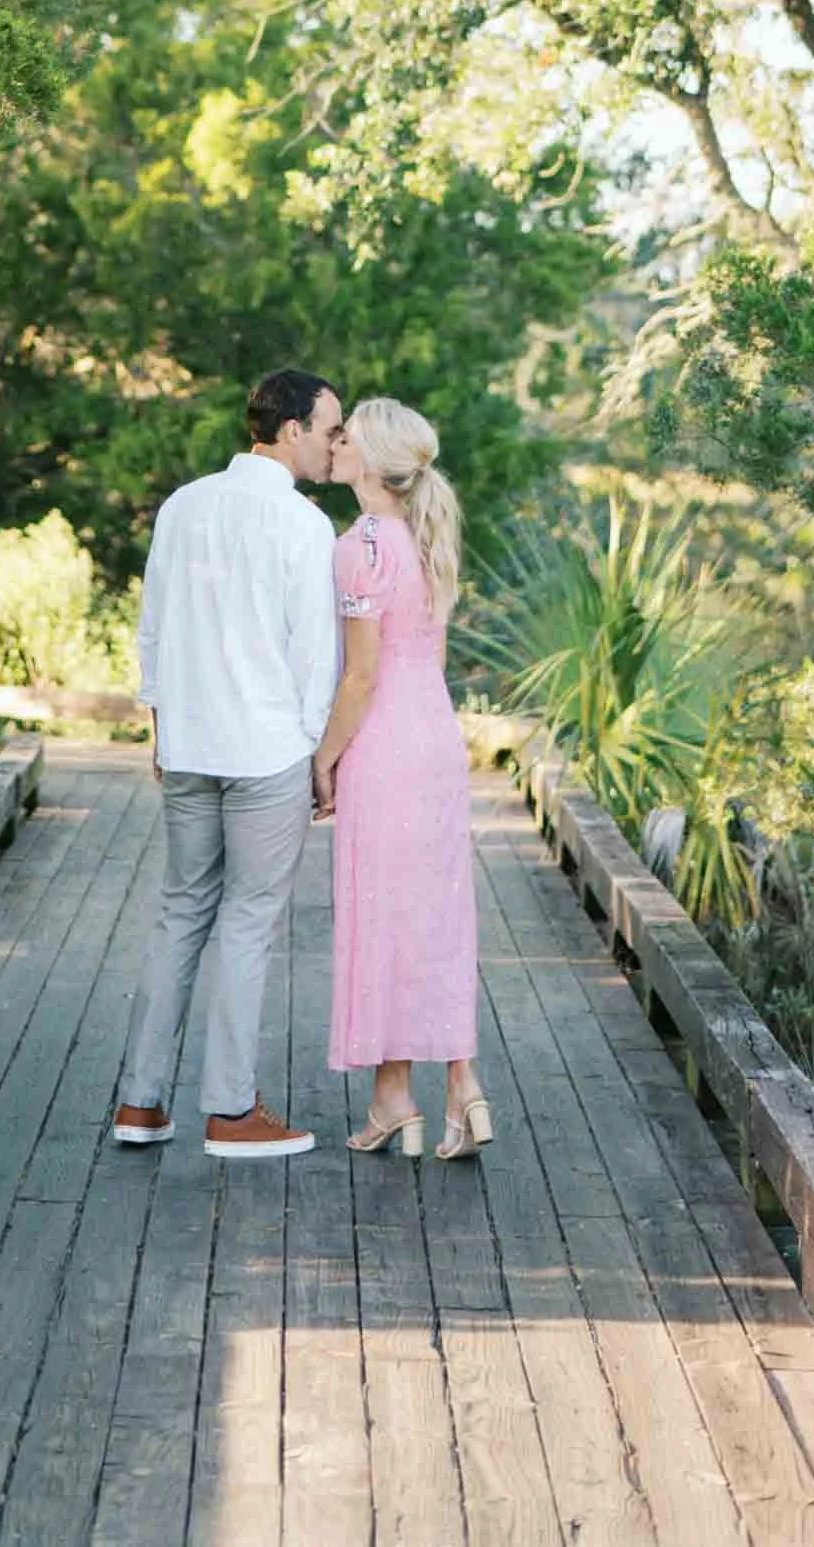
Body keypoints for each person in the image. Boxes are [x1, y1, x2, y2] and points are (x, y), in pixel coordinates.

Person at [112, 367, 342, 1160]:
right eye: (326, 431)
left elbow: (152, 623)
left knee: (180, 915)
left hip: (189, 745)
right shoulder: (304, 526)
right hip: (266, 750)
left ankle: (140, 1104)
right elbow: (316, 653)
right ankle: (230, 1109)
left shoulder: (184, 505)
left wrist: (158, 723)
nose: (332, 445)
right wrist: (318, 755)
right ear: (288, 430)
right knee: (246, 924)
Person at [310, 397, 492, 1162]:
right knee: (434, 917)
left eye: (346, 434)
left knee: (380, 919)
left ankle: (399, 1100)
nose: (336, 442)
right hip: (435, 736)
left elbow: (359, 678)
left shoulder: (359, 547)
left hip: (383, 742)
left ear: (370, 459)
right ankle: (451, 1088)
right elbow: (431, 659)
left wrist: (323, 758)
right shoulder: (426, 539)